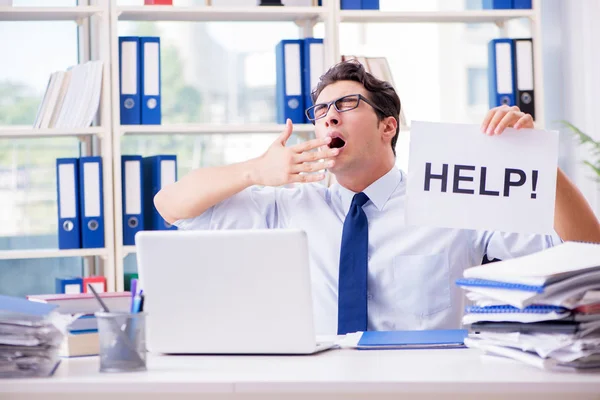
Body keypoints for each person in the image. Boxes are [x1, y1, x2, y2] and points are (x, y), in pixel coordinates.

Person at [154, 60, 600, 335]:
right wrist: (254, 171)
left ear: (388, 126)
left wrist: (538, 162)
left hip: (429, 386)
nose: (329, 117)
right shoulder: (289, 204)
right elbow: (171, 207)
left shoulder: (449, 194)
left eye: (346, 104)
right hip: (315, 384)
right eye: (322, 111)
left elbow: (585, 251)